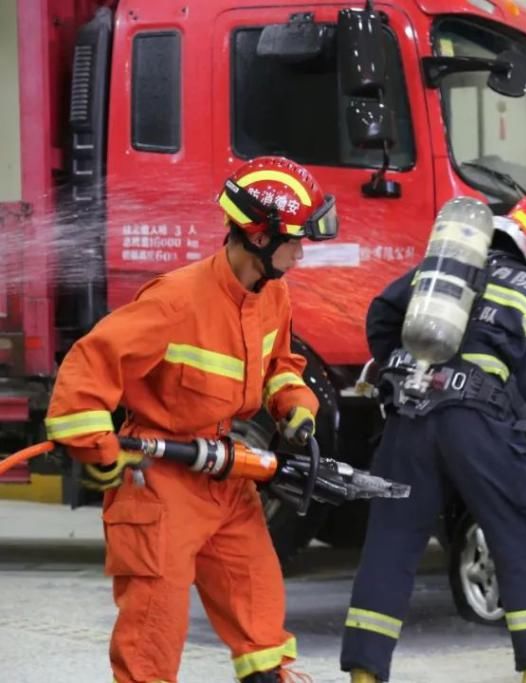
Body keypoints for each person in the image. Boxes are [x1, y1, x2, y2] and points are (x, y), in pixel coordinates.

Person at [43, 156, 339, 683]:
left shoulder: (273, 295)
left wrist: (294, 407)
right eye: (295, 239)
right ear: (259, 238)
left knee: (258, 603)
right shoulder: (176, 300)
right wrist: (97, 448)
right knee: (153, 630)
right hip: (158, 480)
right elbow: (91, 362)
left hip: (226, 475)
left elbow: (281, 365)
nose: (302, 251)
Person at [340, 191, 526, 683]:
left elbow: (380, 314)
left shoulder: (440, 273)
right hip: (482, 425)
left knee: (391, 541)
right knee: (517, 538)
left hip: (410, 415)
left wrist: (402, 365)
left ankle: (365, 673)